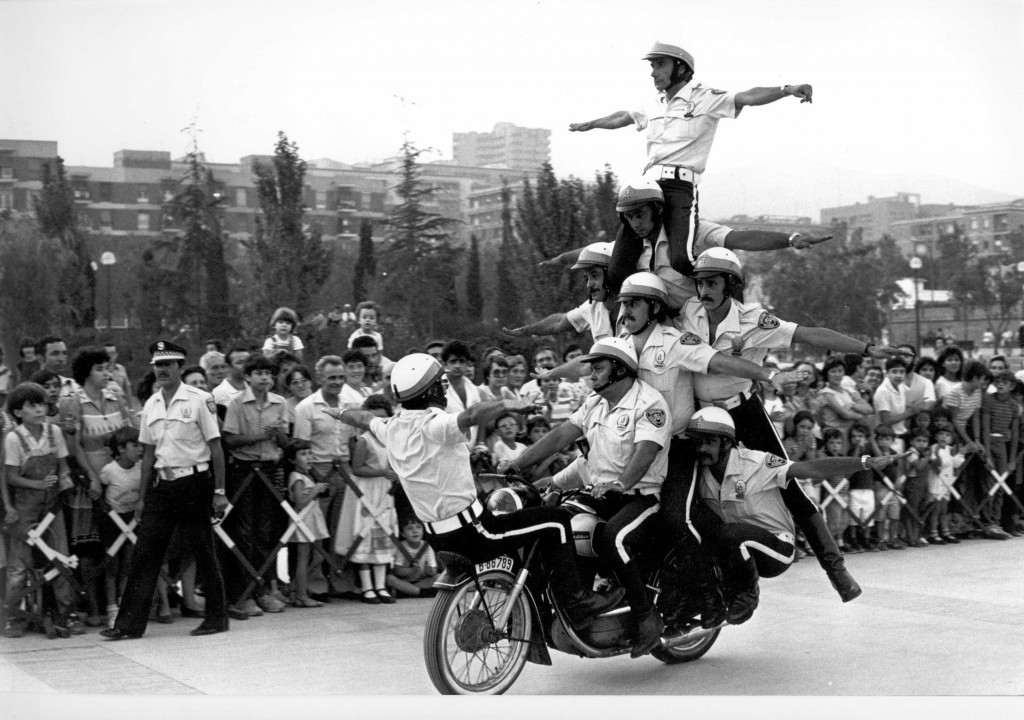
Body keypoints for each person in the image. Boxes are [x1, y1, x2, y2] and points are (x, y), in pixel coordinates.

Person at [329, 353, 624, 627]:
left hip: (437, 536)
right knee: (557, 520)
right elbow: (472, 415)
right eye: (441, 383)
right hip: (475, 532)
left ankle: (536, 599)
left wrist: (338, 412)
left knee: (527, 523)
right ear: (429, 391)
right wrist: (508, 404)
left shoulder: (390, 427)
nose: (445, 389)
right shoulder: (436, 425)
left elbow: (363, 418)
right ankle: (577, 602)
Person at [679, 248, 897, 599]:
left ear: (731, 284)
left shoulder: (754, 320)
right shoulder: (688, 311)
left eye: (712, 282)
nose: (704, 290)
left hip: (743, 412)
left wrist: (867, 349)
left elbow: (812, 334)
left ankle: (835, 567)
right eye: (700, 282)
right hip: (700, 416)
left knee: (788, 480)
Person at [569, 41, 814, 281]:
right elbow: (623, 117)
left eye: (660, 65)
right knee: (617, 269)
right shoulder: (655, 103)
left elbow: (747, 96)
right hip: (647, 189)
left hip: (679, 188)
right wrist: (591, 124)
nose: (653, 73)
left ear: (681, 68)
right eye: (652, 67)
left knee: (681, 260)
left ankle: (723, 292)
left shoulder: (706, 97)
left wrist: (786, 89)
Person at [503, 337, 671, 657]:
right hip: (600, 493)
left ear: (619, 369)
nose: (591, 373)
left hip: (640, 497)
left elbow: (646, 453)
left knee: (612, 538)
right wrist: (519, 463)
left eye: (598, 367)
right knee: (555, 522)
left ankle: (647, 617)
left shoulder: (649, 403)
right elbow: (559, 437)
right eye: (590, 366)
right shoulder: (595, 403)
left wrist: (621, 483)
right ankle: (574, 600)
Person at [683, 408, 901, 624]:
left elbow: (811, 469)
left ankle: (748, 596)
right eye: (697, 442)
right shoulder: (701, 475)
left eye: (709, 442)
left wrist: (863, 463)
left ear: (726, 442)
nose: (701, 448)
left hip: (775, 549)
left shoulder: (757, 463)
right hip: (736, 553)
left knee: (729, 533)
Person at [100, 340, 229, 640]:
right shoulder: (151, 404)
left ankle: (217, 617)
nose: (162, 370)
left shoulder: (199, 399)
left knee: (203, 549)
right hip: (162, 483)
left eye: (168, 365)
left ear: (181, 368)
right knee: (145, 552)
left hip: (194, 482)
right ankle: (127, 624)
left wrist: (220, 491)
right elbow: (147, 454)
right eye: (158, 365)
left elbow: (216, 448)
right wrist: (143, 497)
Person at [60, 347, 135, 626]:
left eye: (109, 368)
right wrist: (92, 477)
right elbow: (73, 445)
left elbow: (128, 433)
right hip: (87, 484)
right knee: (89, 546)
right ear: (86, 373)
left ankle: (121, 604)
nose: (107, 373)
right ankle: (93, 608)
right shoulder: (72, 400)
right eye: (100, 369)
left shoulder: (116, 395)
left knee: (119, 541)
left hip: (120, 481)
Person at [3, 383, 80, 638]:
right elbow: (11, 477)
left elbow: (62, 464)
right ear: (17, 412)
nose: (39, 409)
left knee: (61, 556)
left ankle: (66, 612)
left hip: (52, 505)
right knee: (18, 565)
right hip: (25, 507)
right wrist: (35, 484)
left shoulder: (54, 431)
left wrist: (66, 475)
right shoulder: (14, 438)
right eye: (32, 406)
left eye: (42, 404)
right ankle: (15, 616)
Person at [220, 353, 289, 617]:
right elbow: (230, 440)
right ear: (248, 377)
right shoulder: (237, 403)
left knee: (266, 532)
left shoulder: (280, 403)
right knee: (244, 532)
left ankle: (263, 590)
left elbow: (284, 442)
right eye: (259, 373)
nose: (265, 379)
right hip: (245, 471)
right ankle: (243, 593)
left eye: (269, 374)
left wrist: (279, 435)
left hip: (270, 471)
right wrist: (261, 436)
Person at [336, 395, 399, 605]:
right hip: (367, 490)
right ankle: (367, 586)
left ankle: (380, 585)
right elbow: (357, 468)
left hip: (384, 490)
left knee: (382, 533)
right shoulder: (365, 439)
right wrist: (382, 471)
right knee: (364, 534)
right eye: (375, 418)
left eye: (384, 418)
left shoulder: (391, 439)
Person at [505, 241, 618, 344]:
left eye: (595, 275)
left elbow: (614, 247)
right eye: (586, 278)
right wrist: (526, 331)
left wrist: (562, 259)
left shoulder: (632, 298)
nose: (589, 284)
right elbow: (558, 322)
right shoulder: (592, 308)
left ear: (611, 273)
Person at [99, 426, 143, 630]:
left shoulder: (142, 467)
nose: (140, 449)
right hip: (113, 522)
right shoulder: (109, 471)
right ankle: (111, 608)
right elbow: (99, 495)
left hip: (133, 520)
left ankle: (125, 605)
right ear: (121, 448)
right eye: (135, 445)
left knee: (128, 564)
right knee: (111, 566)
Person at [284, 439, 329, 608]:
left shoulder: (307, 476)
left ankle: (296, 588)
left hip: (312, 519)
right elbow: (299, 502)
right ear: (293, 460)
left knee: (317, 556)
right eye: (303, 454)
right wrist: (316, 490)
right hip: (303, 520)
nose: (308, 457)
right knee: (303, 557)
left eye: (310, 453)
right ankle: (302, 595)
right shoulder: (297, 477)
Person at [981, 370, 1020, 538]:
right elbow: (985, 427)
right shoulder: (989, 400)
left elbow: (1015, 434)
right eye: (999, 381)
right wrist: (987, 454)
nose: (1001, 384)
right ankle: (987, 522)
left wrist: (1012, 461)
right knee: (988, 484)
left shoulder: (1013, 406)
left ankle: (996, 521)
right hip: (989, 443)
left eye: (1006, 382)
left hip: (1003, 446)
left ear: (1012, 386)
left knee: (1000, 485)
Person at [927, 423, 964, 543]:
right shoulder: (933, 448)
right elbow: (937, 464)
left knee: (944, 508)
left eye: (947, 435)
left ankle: (945, 531)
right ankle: (933, 533)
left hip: (947, 482)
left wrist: (960, 454)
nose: (944, 437)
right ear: (936, 436)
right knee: (936, 508)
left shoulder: (950, 449)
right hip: (937, 482)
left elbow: (956, 464)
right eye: (941, 434)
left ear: (951, 439)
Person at [386, 517, 439, 598]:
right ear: (403, 534)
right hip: (405, 581)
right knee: (389, 578)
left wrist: (430, 571)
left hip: (421, 581)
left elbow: (434, 569)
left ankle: (407, 593)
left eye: (418, 527)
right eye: (410, 528)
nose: (415, 531)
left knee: (439, 577)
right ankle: (421, 593)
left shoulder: (427, 546)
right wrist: (410, 571)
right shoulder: (402, 547)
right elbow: (397, 570)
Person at [212, 346, 250, 413]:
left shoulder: (253, 388)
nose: (246, 366)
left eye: (248, 362)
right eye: (240, 362)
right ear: (228, 367)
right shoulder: (220, 393)